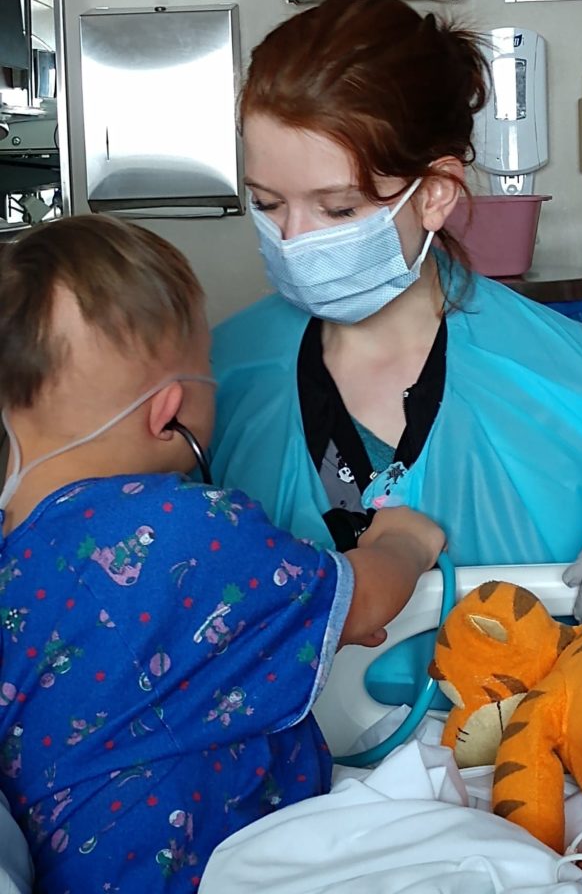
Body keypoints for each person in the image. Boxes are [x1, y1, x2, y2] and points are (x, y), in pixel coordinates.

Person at [210, 0, 582, 705]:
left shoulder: (558, 374)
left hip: (521, 784)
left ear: (434, 194)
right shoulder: (222, 374)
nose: (294, 240)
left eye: (338, 209)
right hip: (281, 794)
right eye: (268, 203)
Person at [0, 215, 444, 892]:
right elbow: (366, 601)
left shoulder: (14, 547)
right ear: (170, 412)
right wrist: (404, 541)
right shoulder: (189, 532)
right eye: (208, 368)